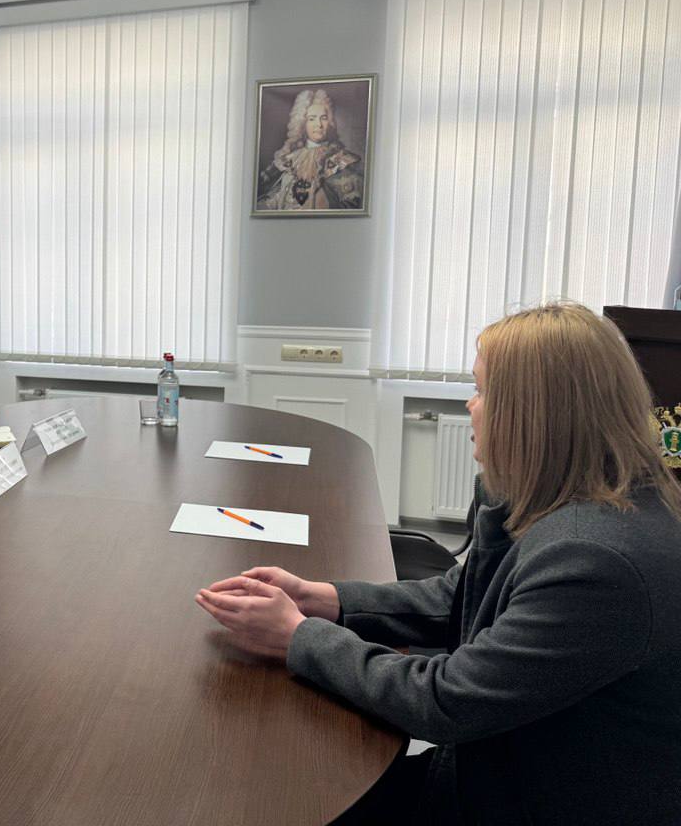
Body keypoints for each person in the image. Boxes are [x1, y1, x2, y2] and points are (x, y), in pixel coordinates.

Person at [196, 302, 681, 825]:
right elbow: (461, 596)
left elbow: (445, 701)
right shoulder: (584, 501)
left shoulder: (596, 562)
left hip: (527, 801)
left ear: (534, 414)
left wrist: (298, 637)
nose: (470, 406)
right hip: (509, 767)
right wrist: (326, 600)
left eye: (482, 391)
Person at [256, 88, 362, 211]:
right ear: (302, 123)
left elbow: (351, 205)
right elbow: (278, 199)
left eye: (323, 118)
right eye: (312, 119)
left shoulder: (341, 160)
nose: (319, 124)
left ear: (330, 121)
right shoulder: (290, 159)